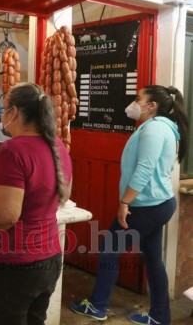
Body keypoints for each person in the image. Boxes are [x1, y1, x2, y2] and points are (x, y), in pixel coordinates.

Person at [71, 85, 189, 325]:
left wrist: (125, 202)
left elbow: (144, 169)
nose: (134, 103)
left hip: (145, 205)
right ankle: (159, 316)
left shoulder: (154, 130)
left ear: (151, 106)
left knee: (109, 249)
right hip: (158, 203)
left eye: (139, 99)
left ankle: (98, 305)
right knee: (153, 258)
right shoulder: (163, 127)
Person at [0, 83, 73, 325]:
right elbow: (63, 195)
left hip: (14, 265)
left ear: (16, 112)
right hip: (49, 260)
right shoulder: (58, 146)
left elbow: (4, 216)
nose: (2, 114)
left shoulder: (13, 150)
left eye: (5, 109)